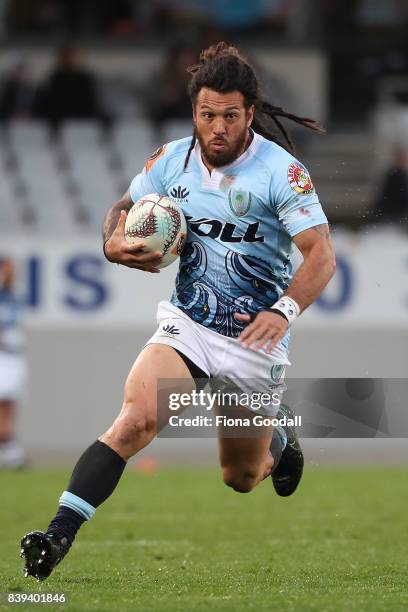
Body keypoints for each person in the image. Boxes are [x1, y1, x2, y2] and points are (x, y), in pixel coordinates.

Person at [20, 42, 336, 581]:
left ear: (250, 114)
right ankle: (55, 538)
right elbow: (123, 208)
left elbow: (320, 256)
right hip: (187, 325)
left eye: (230, 116)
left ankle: (279, 443)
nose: (217, 127)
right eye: (207, 114)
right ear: (194, 110)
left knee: (239, 477)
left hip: (254, 339)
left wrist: (283, 311)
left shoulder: (282, 173)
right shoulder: (170, 160)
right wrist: (111, 243)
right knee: (133, 422)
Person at [0, 257, 26, 468]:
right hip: (3, 356)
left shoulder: (12, 297)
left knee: (10, 404)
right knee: (4, 406)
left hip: (14, 356)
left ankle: (9, 448)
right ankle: (9, 451)